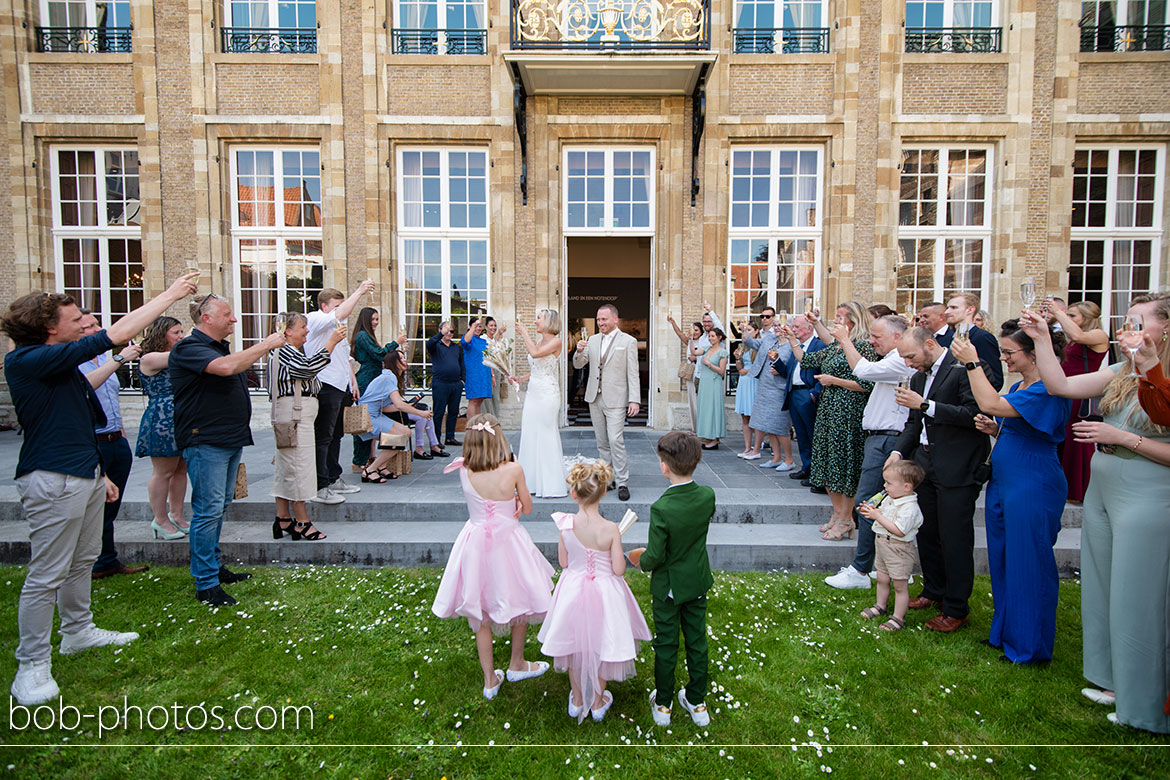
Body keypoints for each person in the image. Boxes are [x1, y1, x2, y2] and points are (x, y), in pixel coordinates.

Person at [2, 272, 197, 706]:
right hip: (52, 478)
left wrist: (101, 474)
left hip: (83, 473)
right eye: (75, 319)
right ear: (50, 326)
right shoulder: (27, 360)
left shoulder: (56, 365)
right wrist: (169, 294)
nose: (83, 324)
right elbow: (114, 336)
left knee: (83, 559)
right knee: (46, 573)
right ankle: (31, 666)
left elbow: (73, 420)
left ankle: (78, 632)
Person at [1024, 294, 1170, 733]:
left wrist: (1120, 437)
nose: (1129, 329)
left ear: (1165, 329)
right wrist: (1041, 341)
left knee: (1137, 597)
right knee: (1103, 586)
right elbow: (1062, 387)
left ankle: (1143, 707)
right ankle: (1112, 682)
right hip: (1104, 485)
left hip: (1146, 488)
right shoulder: (1125, 369)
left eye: (1139, 322)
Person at [953, 319, 1071, 664]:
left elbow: (990, 402)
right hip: (1005, 479)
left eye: (1009, 352)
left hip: (1032, 480)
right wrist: (996, 429)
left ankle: (1030, 647)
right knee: (1004, 559)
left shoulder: (1048, 388)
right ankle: (1006, 634)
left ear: (1035, 354)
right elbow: (1012, 420)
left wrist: (973, 362)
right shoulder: (1021, 386)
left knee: (1029, 562)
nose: (1004, 358)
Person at [171, 292, 286, 607]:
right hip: (205, 440)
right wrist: (266, 344)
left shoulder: (215, 347)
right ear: (206, 318)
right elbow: (224, 369)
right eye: (228, 314)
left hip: (227, 438)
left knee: (218, 507)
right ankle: (205, 583)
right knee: (208, 509)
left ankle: (213, 567)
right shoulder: (189, 348)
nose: (234, 319)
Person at [431, 414, 553, 700]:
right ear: (499, 438)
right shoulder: (513, 469)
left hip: (475, 544)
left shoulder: (463, 470)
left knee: (481, 610)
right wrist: (519, 502)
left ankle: (489, 680)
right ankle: (517, 663)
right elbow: (529, 506)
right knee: (520, 597)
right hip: (509, 541)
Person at [886, 327, 989, 633]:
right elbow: (913, 424)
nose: (907, 363)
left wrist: (925, 405)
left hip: (958, 466)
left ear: (929, 344)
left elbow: (975, 414)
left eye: (910, 356)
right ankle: (933, 591)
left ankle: (956, 607)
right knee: (927, 531)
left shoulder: (961, 369)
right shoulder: (918, 377)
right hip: (925, 464)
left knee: (955, 538)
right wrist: (897, 452)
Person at [537, 461, 651, 722]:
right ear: (603, 492)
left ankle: (577, 699)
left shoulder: (565, 524)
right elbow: (619, 569)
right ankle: (598, 701)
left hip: (573, 590)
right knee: (601, 642)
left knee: (575, 645)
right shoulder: (611, 529)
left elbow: (564, 563)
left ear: (573, 493)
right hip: (605, 590)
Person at [627, 432, 716, 728]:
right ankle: (697, 700)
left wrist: (639, 558)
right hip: (697, 581)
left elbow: (655, 556)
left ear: (664, 466)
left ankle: (663, 703)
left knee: (666, 644)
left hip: (668, 588)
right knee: (697, 641)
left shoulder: (662, 508)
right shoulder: (707, 496)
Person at [824, 314, 915, 588]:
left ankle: (860, 570)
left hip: (888, 439)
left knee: (867, 502)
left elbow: (862, 371)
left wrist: (844, 340)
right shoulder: (892, 360)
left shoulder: (900, 361)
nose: (872, 341)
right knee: (881, 504)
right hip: (880, 437)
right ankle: (881, 566)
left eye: (877, 337)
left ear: (897, 337)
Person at [792, 303, 879, 539]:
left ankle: (846, 518)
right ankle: (837, 513)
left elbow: (867, 384)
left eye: (841, 317)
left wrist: (834, 381)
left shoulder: (864, 348)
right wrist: (791, 338)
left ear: (854, 321)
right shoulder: (835, 348)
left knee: (844, 465)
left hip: (848, 412)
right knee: (827, 463)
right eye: (836, 316)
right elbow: (806, 360)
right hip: (828, 411)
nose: (836, 321)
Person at [76, 312, 149, 578]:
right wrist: (119, 359)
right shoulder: (72, 362)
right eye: (90, 326)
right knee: (92, 507)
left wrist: (121, 434)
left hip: (115, 439)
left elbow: (109, 398)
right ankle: (88, 563)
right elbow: (85, 389)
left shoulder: (104, 357)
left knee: (111, 505)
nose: (98, 328)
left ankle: (106, 560)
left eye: (97, 323)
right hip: (91, 441)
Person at [270, 312, 348, 543]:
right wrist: (331, 342)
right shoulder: (283, 350)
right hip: (295, 416)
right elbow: (307, 370)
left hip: (297, 414)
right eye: (303, 327)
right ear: (288, 331)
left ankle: (283, 518)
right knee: (300, 467)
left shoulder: (290, 351)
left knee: (287, 467)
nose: (307, 331)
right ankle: (302, 522)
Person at [305, 281, 374, 505]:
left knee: (336, 435)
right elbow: (339, 315)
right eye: (336, 306)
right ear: (324, 306)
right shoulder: (315, 319)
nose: (341, 311)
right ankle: (319, 484)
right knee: (323, 436)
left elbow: (344, 358)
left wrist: (352, 382)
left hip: (340, 385)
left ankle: (333, 477)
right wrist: (360, 291)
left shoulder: (335, 327)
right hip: (324, 384)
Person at [572, 304, 640, 502]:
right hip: (594, 397)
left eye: (604, 319)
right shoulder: (592, 340)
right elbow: (579, 364)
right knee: (602, 442)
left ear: (615, 319)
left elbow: (633, 373)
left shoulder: (628, 341)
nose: (600, 323)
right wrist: (578, 352)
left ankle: (623, 482)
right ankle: (607, 478)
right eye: (598, 319)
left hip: (617, 398)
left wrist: (634, 399)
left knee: (615, 440)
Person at [1046, 300, 1109, 502]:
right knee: (1062, 435)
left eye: (1073, 315)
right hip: (1064, 390)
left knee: (1076, 438)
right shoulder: (1071, 336)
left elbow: (1078, 335)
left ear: (1087, 317)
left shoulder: (1098, 335)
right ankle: (1061, 485)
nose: (1069, 318)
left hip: (1081, 392)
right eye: (1069, 315)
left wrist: (1059, 312)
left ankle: (1078, 490)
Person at [136, 316, 190, 539]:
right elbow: (177, 357)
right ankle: (159, 518)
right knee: (163, 471)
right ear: (162, 335)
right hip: (162, 418)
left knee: (180, 469)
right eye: (176, 332)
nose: (181, 336)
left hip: (182, 415)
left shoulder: (178, 354)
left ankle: (176, 513)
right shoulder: (150, 358)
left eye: (181, 332)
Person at [857, 459, 925, 632]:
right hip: (882, 544)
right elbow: (886, 516)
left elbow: (899, 530)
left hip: (898, 549)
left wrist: (878, 517)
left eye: (889, 483)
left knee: (900, 585)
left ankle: (898, 618)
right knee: (882, 578)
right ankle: (881, 605)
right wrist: (874, 512)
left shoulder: (910, 508)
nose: (885, 486)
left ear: (907, 487)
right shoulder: (891, 498)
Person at [357, 349, 437, 480]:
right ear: (394, 362)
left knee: (406, 432)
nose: (405, 360)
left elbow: (385, 407)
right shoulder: (389, 377)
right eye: (401, 358)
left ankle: (382, 467)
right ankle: (370, 470)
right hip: (368, 416)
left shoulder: (390, 377)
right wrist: (421, 413)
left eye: (404, 357)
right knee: (401, 436)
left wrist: (407, 407)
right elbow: (399, 404)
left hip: (376, 413)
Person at [514, 309, 567, 498]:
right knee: (530, 434)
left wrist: (524, 333)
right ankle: (531, 483)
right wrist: (520, 378)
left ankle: (551, 484)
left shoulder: (556, 341)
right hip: (533, 393)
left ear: (549, 322)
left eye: (538, 318)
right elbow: (538, 370)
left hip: (547, 395)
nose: (536, 321)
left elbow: (535, 354)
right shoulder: (539, 341)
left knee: (546, 434)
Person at [349, 306, 407, 471]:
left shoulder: (366, 336)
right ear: (365, 320)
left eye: (377, 319)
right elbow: (379, 354)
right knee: (363, 423)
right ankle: (359, 460)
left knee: (372, 421)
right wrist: (396, 342)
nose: (375, 322)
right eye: (373, 319)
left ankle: (371, 459)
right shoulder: (362, 336)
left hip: (372, 379)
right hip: (366, 381)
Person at [742, 309, 795, 468]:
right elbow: (750, 343)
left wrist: (780, 368)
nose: (777, 328)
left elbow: (792, 368)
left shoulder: (793, 346)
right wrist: (745, 330)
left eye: (781, 325)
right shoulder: (770, 340)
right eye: (776, 325)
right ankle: (776, 458)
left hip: (778, 389)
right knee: (767, 425)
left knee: (779, 426)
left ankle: (789, 460)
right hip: (764, 387)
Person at [783, 316, 827, 482]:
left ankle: (817, 472)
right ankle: (806, 467)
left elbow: (824, 369)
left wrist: (814, 393)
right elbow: (789, 370)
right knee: (800, 434)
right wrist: (777, 363)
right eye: (793, 326)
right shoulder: (796, 346)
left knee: (812, 433)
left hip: (807, 393)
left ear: (809, 328)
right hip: (794, 392)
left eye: (797, 327)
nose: (793, 329)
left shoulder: (818, 345)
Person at [942, 293, 1004, 390]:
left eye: (954, 307)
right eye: (948, 307)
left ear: (970, 310)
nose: (947, 311)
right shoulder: (948, 338)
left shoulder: (983, 337)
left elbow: (995, 379)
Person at [427, 320, 465, 446]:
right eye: (446, 330)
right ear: (440, 331)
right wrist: (440, 335)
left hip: (455, 384)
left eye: (451, 331)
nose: (449, 333)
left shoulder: (456, 347)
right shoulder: (435, 346)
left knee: (453, 412)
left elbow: (461, 363)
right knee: (438, 413)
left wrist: (462, 380)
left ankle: (450, 437)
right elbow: (429, 343)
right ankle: (436, 440)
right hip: (441, 384)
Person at [666, 316, 705, 433]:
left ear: (701, 331)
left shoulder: (705, 342)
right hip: (690, 374)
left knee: (701, 401)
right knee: (692, 401)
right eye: (693, 330)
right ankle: (695, 428)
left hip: (701, 374)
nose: (694, 332)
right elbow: (679, 333)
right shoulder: (689, 341)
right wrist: (673, 322)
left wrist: (696, 358)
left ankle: (702, 427)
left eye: (697, 330)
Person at [695, 327, 728, 448]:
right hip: (705, 383)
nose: (710, 338)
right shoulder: (707, 348)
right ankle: (707, 436)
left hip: (714, 383)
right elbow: (694, 352)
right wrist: (690, 340)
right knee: (705, 409)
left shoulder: (722, 352)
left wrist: (709, 364)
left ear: (719, 338)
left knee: (714, 409)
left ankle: (715, 438)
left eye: (713, 336)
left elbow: (721, 371)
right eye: (709, 336)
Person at [732, 319, 761, 456]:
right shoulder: (743, 346)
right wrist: (738, 358)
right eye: (745, 330)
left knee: (755, 416)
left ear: (756, 332)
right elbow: (739, 368)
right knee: (744, 417)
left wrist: (747, 372)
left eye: (749, 330)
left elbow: (761, 367)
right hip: (744, 382)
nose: (747, 333)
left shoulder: (759, 346)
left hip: (754, 381)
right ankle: (747, 447)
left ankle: (757, 448)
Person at [462, 316, 492, 419]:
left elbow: (489, 358)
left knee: (480, 400)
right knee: (473, 400)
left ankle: (478, 425)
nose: (478, 328)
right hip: (474, 374)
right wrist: (473, 327)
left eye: (480, 326)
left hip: (484, 374)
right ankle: (471, 426)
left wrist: (492, 375)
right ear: (470, 326)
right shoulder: (468, 338)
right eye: (475, 326)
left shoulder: (483, 341)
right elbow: (465, 342)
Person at [482, 316, 508, 418]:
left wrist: (502, 372)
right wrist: (492, 374)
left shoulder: (495, 339)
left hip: (496, 371)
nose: (493, 327)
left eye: (495, 325)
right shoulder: (483, 338)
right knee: (488, 397)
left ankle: (495, 419)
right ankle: (488, 419)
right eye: (491, 325)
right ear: (486, 327)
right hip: (487, 371)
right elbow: (488, 356)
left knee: (495, 397)